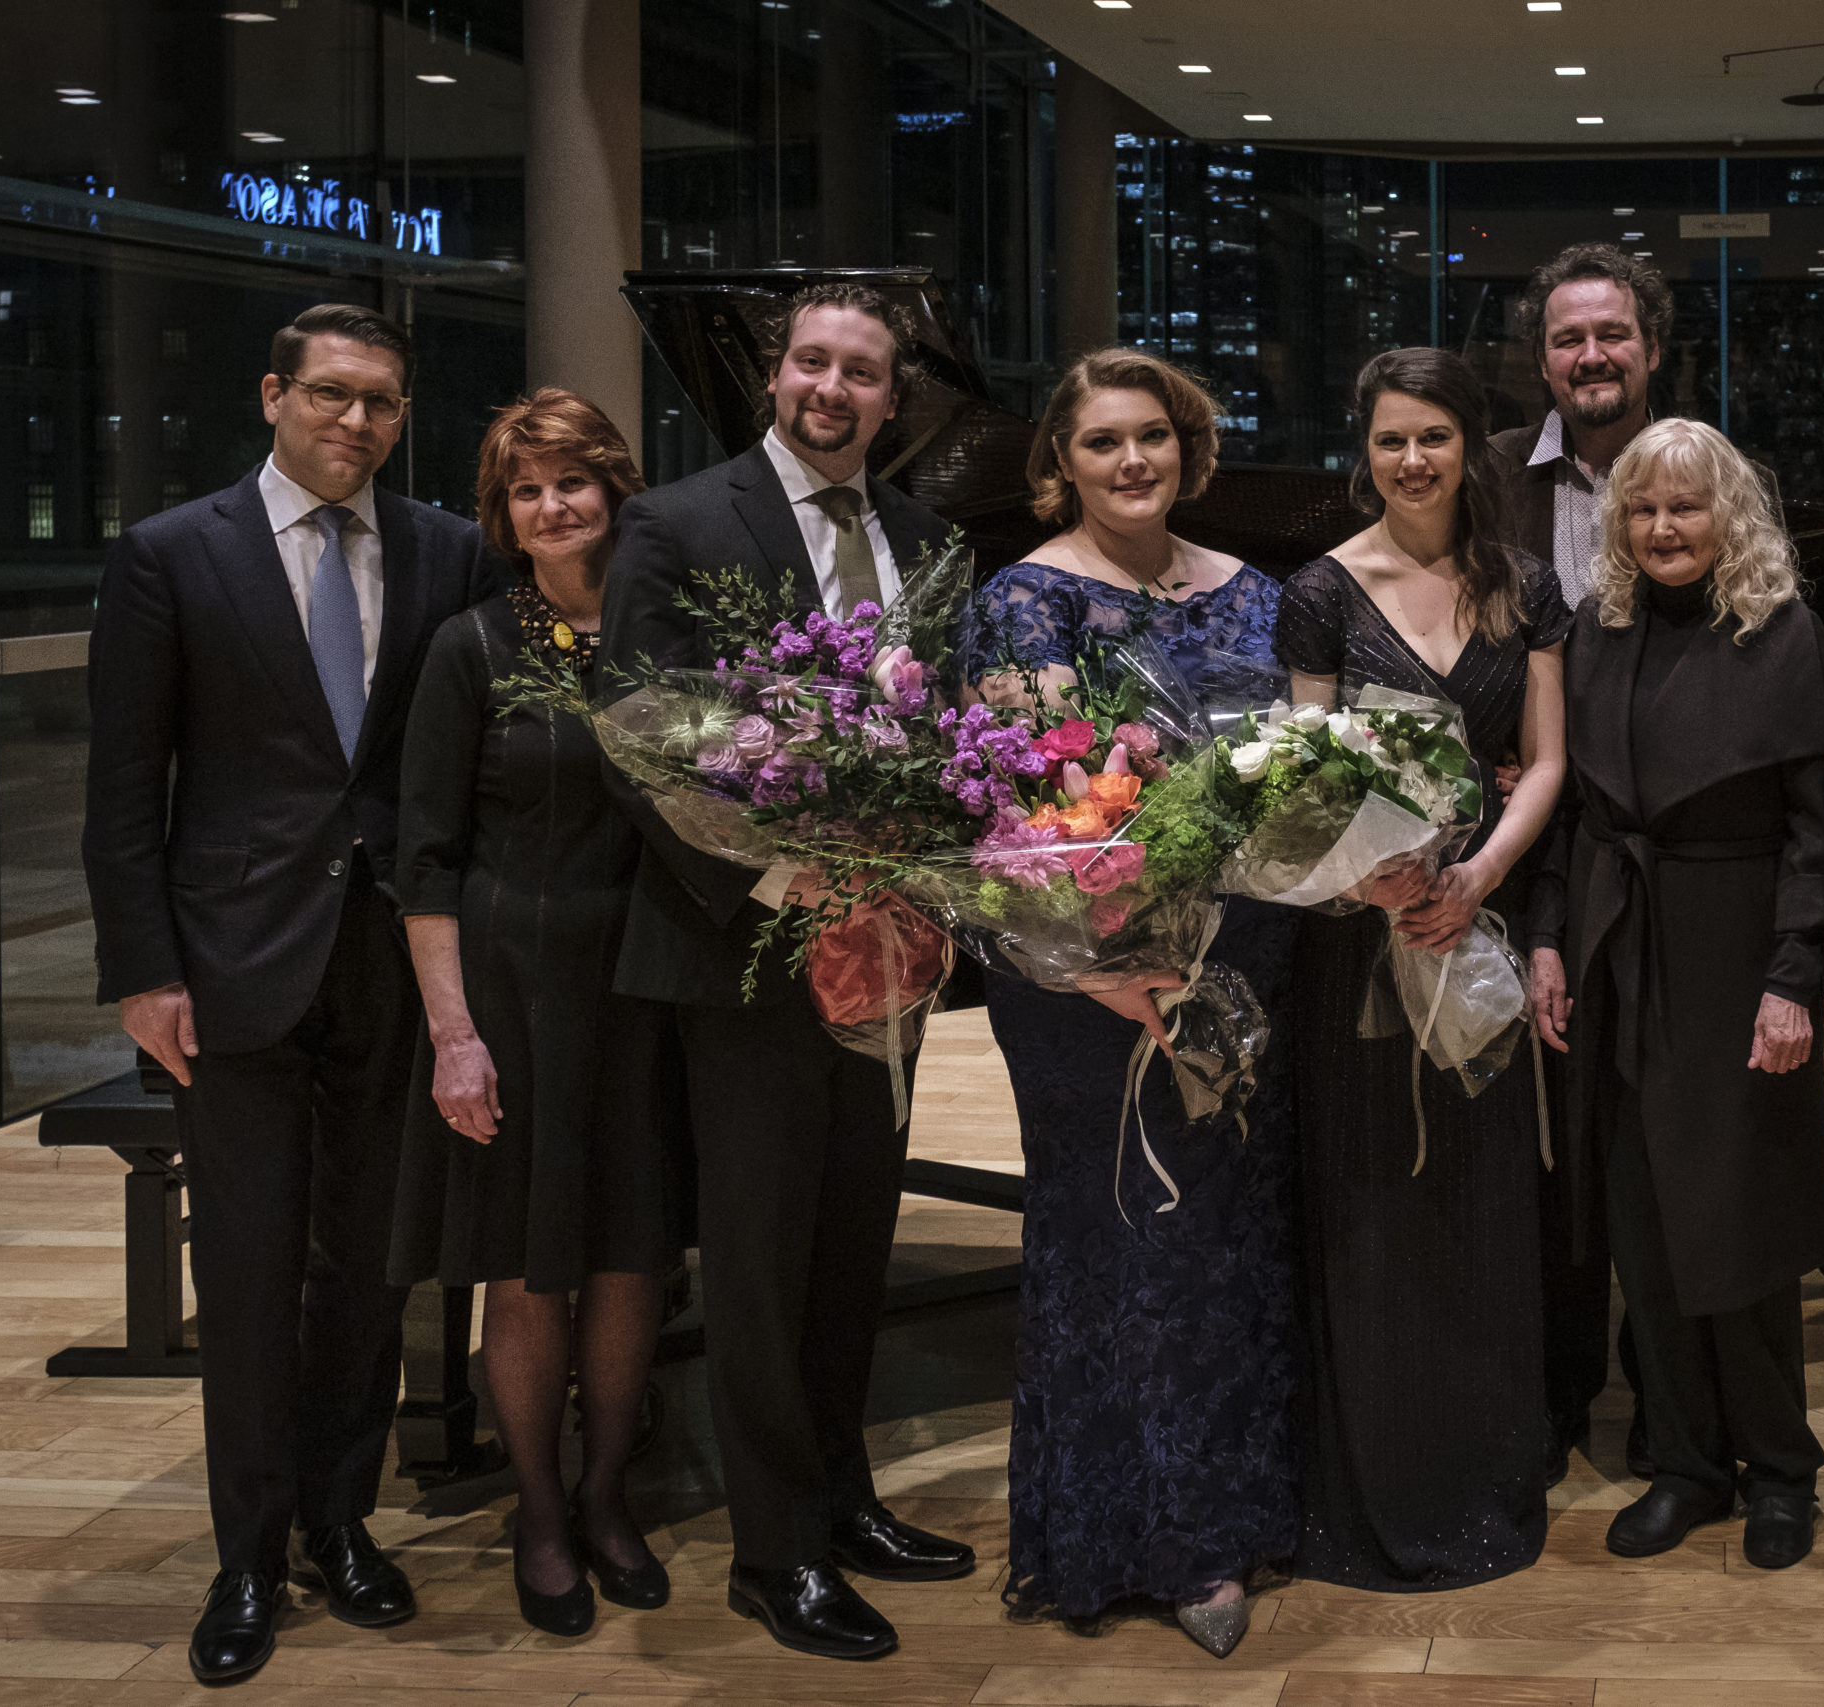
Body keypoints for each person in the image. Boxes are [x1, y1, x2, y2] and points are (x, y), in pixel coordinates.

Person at [82, 303, 500, 1683]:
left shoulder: (447, 548)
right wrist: (140, 967)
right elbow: (123, 786)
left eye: (381, 402)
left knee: (370, 1266)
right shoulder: (169, 553)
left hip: (392, 960)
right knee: (252, 1270)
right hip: (229, 966)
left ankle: (341, 1516)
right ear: (274, 395)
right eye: (330, 395)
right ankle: (246, 1555)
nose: (356, 423)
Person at [597, 282, 972, 1663]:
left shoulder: (931, 541)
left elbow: (946, 740)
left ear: (894, 394)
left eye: (860, 371)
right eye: (812, 361)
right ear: (776, 373)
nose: (833, 388)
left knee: (851, 1243)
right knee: (756, 1258)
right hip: (744, 946)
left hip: (885, 945)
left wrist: (911, 878)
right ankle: (774, 1549)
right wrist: (780, 881)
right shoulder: (680, 520)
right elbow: (643, 738)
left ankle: (843, 1496)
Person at [962, 348, 1296, 1660]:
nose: (1132, 461)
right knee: (1117, 1240)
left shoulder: (1257, 595)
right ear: (1061, 461)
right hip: (1081, 977)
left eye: (1153, 435)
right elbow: (1016, 812)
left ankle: (1229, 1516)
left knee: (1224, 1239)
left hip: (1240, 960)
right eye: (1102, 442)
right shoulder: (1021, 602)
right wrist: (1115, 971)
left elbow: (1288, 777)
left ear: (1190, 446)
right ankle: (1125, 1536)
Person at [1275, 347, 1570, 1590]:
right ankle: (1375, 1475)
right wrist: (1377, 880)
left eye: (1434, 438)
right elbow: (1302, 773)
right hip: (1358, 940)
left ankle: (1482, 1459)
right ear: (1367, 448)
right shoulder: (1322, 590)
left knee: (1479, 1202)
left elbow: (1546, 759)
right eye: (1391, 439)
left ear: (1470, 448)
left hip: (1473, 929)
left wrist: (1475, 881)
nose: (1412, 461)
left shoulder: (1524, 585)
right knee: (1372, 1204)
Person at [1526, 417, 1824, 1572]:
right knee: (1640, 1221)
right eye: (1644, 509)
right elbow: (1569, 812)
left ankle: (1781, 1471)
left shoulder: (1786, 631)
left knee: (1739, 1222)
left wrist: (1792, 978)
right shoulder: (1594, 628)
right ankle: (1690, 1465)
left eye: (1687, 507)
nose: (1664, 528)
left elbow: (1818, 831)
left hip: (1733, 945)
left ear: (1730, 516)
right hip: (1617, 943)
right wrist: (1550, 941)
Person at [389, 389, 679, 1637]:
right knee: (524, 1269)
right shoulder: (470, 647)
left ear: (614, 487)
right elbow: (427, 858)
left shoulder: (671, 637)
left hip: (651, 987)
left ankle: (611, 1493)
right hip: (510, 990)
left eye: (571, 480)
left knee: (629, 1256)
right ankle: (542, 1511)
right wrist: (454, 1035)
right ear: (503, 517)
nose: (552, 506)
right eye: (525, 490)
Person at [1488, 243, 1673, 1485]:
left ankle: (1669, 1390)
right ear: (1539, 357)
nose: (1590, 357)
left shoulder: (1703, 474)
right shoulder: (1486, 476)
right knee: (1533, 1133)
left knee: (1651, 1127)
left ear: (1650, 348)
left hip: (1650, 846)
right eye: (1567, 339)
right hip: (1513, 843)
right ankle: (1551, 1390)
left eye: (1611, 335)